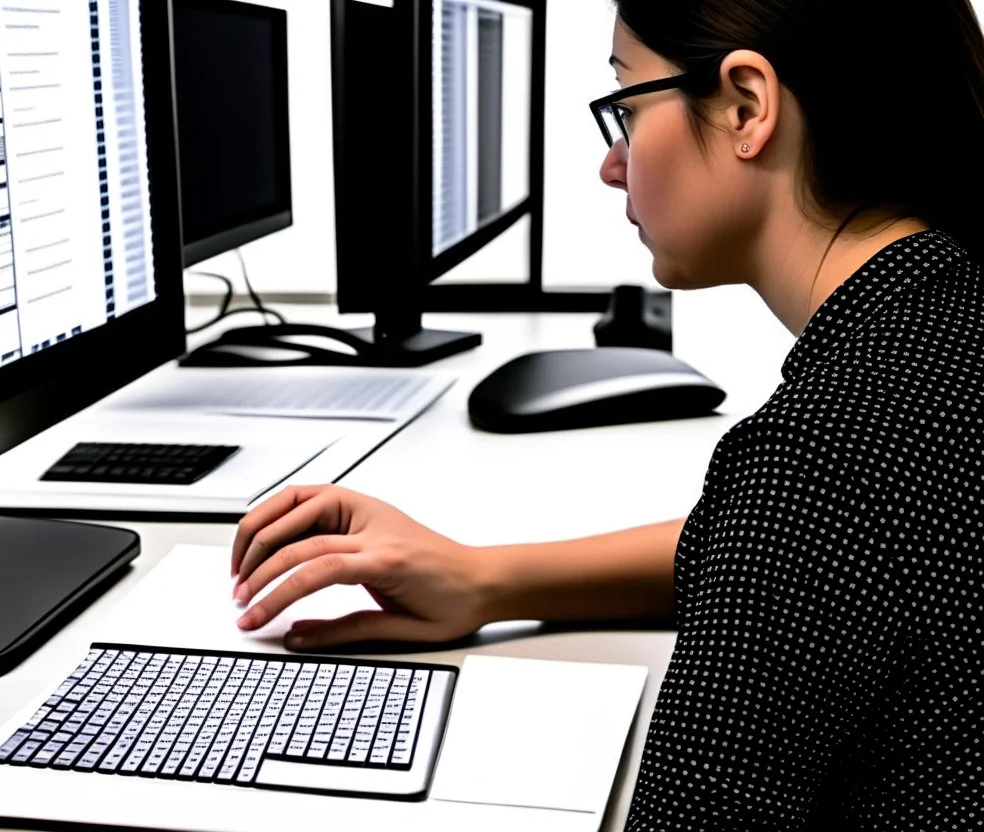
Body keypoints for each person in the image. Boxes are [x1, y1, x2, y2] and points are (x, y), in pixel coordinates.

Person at [230, 1, 984, 828]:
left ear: (745, 107)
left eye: (626, 108)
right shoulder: (937, 328)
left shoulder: (823, 455)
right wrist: (486, 581)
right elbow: (814, 558)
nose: (613, 165)